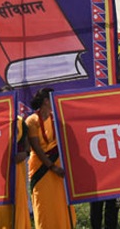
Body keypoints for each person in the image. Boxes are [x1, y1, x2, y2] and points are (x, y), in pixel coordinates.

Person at [26, 87, 75, 229]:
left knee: (60, 203)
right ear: (46, 101)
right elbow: (37, 148)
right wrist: (52, 167)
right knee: (44, 205)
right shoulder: (32, 120)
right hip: (42, 168)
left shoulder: (57, 118)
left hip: (59, 166)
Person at [0, 85, 32, 229]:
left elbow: (27, 146)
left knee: (18, 200)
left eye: (12, 96)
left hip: (17, 166)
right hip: (0, 168)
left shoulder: (20, 121)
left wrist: (24, 154)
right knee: (0, 203)